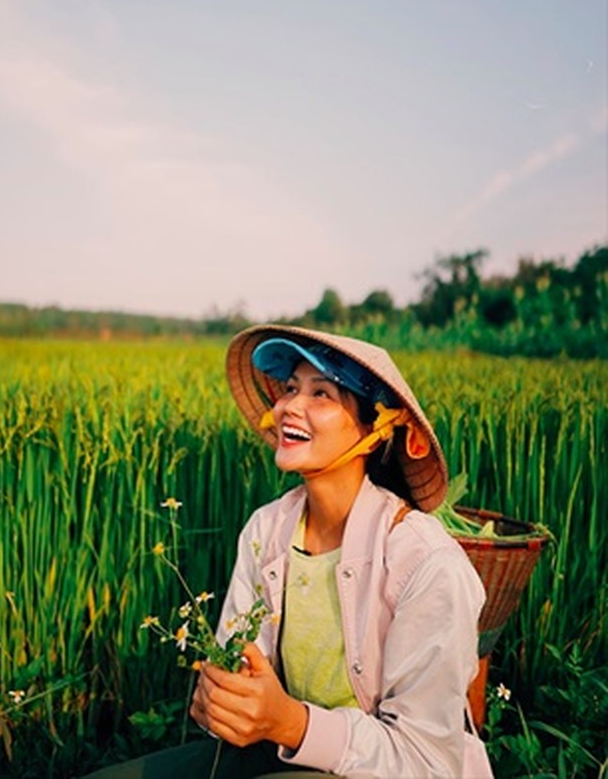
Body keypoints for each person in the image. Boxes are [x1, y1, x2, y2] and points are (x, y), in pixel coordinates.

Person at [84, 325, 492, 779]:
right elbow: (241, 671)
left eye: (322, 394)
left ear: (376, 429)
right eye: (291, 388)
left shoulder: (425, 562)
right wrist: (224, 703)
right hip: (280, 751)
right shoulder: (267, 529)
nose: (290, 406)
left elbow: (425, 761)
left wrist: (293, 723)